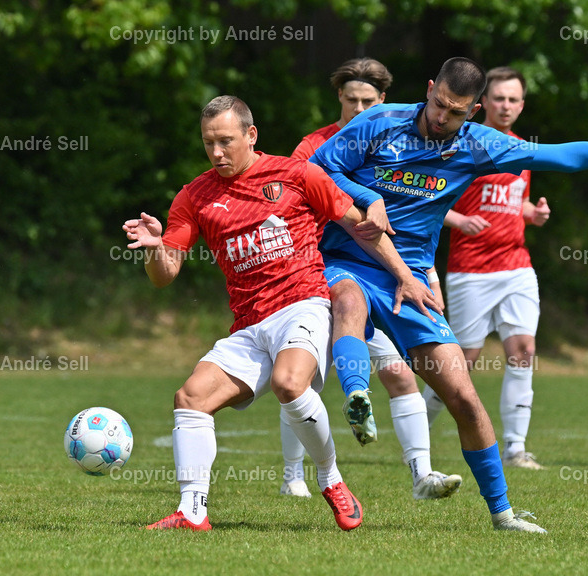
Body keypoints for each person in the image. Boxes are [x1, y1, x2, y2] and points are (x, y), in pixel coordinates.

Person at [310, 57, 588, 532]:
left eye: (455, 112)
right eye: (438, 104)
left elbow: (565, 156)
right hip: (347, 259)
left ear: (474, 111)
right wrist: (369, 197)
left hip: (411, 280)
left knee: (465, 398)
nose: (441, 118)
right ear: (429, 89)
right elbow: (316, 169)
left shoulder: (479, 145)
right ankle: (357, 395)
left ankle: (503, 514)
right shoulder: (379, 121)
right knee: (348, 301)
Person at [125, 95, 433, 532]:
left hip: (303, 304)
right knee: (190, 398)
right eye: (209, 143)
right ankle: (192, 512)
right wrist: (156, 248)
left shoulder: (297, 174)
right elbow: (164, 275)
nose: (217, 153)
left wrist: (404, 276)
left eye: (226, 141)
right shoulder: (194, 196)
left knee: (290, 383)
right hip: (249, 324)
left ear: (251, 135)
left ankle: (331, 480)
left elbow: (360, 227)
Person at [280, 57, 463, 501]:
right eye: (351, 100)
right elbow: (290, 202)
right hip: (316, 276)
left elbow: (414, 219)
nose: (359, 109)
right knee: (303, 380)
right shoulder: (314, 147)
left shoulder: (397, 140)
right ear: (339, 98)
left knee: (400, 375)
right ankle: (293, 477)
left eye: (368, 101)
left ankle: (422, 476)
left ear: (383, 100)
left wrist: (428, 274)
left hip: (379, 279)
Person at [422, 66, 550, 471]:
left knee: (523, 350)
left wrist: (532, 213)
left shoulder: (522, 150)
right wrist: (459, 221)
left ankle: (515, 447)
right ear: (483, 104)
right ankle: (417, 434)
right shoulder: (463, 143)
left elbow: (513, 202)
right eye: (499, 98)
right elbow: (424, 199)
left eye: (513, 99)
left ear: (522, 105)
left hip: (517, 265)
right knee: (460, 364)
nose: (506, 105)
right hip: (471, 271)